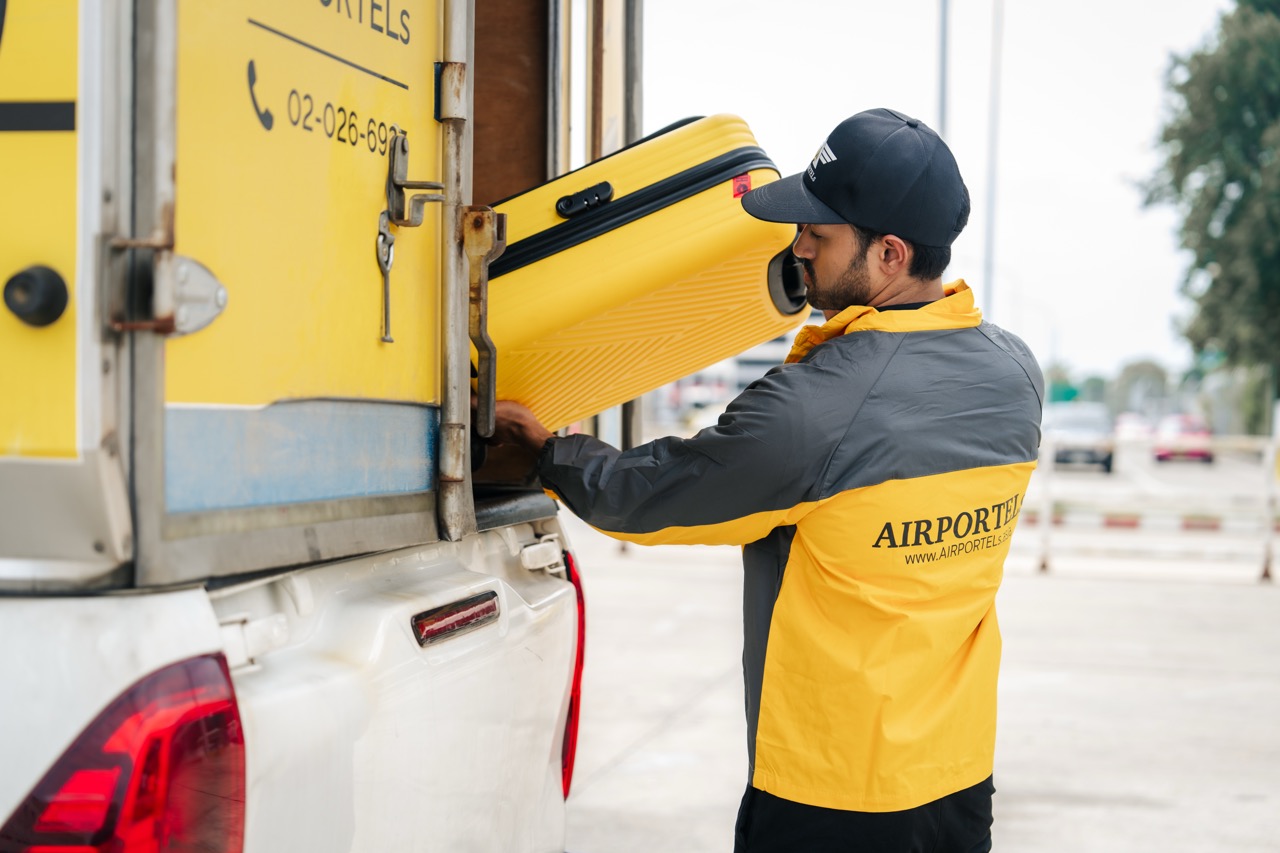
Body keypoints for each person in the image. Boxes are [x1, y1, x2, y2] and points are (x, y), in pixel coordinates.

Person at [489, 107, 1044, 853]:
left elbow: (652, 495)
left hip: (832, 798)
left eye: (820, 230)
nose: (799, 246)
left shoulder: (821, 404)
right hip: (956, 780)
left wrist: (548, 451)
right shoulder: (1016, 375)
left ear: (888, 254)